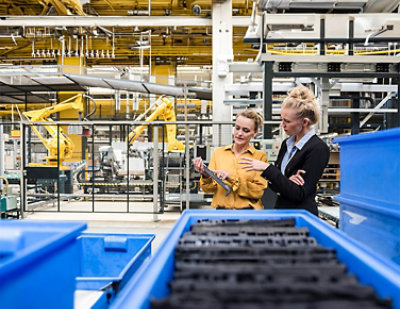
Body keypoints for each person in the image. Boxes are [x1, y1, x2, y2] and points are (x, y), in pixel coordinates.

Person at [239, 85, 330, 215]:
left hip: (301, 216)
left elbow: (299, 194)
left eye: (287, 121)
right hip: (282, 212)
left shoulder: (317, 148)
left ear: (304, 122)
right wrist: (285, 181)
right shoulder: (287, 144)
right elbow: (278, 186)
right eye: (282, 119)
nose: (282, 125)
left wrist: (267, 169)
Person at [193, 109, 268, 209]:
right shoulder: (218, 153)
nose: (239, 133)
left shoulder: (260, 157)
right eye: (237, 128)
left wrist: (230, 178)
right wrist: (206, 174)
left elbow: (257, 192)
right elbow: (208, 189)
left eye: (245, 130)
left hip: (248, 214)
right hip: (222, 213)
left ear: (255, 132)